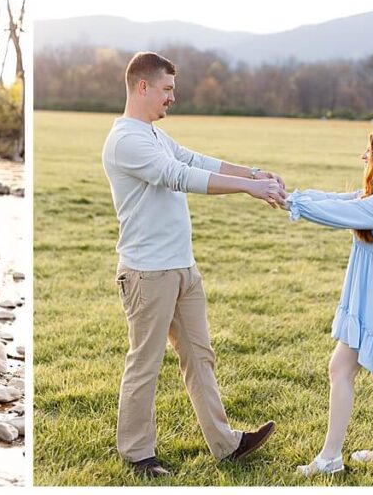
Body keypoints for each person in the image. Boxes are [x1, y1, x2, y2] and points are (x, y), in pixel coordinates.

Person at [101, 51, 283, 477]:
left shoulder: (154, 135)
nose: (171, 98)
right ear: (142, 86)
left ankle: (227, 444)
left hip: (182, 268)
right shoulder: (126, 140)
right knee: (145, 363)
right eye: (167, 89)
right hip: (148, 273)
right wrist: (247, 190)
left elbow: (196, 161)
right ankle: (136, 453)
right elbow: (176, 176)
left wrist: (254, 173)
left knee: (200, 357)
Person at [285, 129, 373, 476]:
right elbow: (339, 200)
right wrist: (293, 195)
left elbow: (338, 215)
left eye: (369, 152)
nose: (364, 158)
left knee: (341, 368)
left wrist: (294, 203)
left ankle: (331, 458)